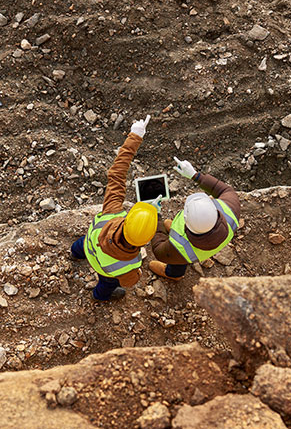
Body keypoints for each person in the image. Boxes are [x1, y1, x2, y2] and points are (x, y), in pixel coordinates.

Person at [71, 116, 158, 301]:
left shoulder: (112, 212)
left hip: (89, 246)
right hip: (104, 270)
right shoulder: (130, 264)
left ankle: (75, 254)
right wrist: (139, 274)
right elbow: (129, 281)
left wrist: (135, 135)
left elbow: (117, 172)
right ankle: (99, 297)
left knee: (80, 245)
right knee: (107, 286)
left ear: (128, 219)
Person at [149, 157, 240, 280]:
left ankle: (174, 274)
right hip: (209, 244)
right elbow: (225, 189)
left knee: (178, 261)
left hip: (184, 253)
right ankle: (174, 234)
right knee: (181, 255)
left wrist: (156, 216)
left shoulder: (180, 248)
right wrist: (195, 175)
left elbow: (158, 250)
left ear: (185, 219)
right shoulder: (230, 211)